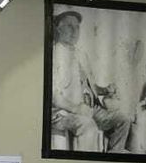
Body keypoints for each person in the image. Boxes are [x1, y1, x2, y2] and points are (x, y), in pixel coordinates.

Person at [49, 10, 130, 153]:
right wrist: (76, 108)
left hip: (90, 109)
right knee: (88, 126)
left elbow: (89, 86)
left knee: (123, 119)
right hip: (64, 112)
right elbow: (53, 96)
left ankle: (113, 157)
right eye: (69, 26)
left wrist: (104, 90)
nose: (74, 31)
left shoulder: (81, 54)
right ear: (58, 28)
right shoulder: (53, 54)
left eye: (77, 27)